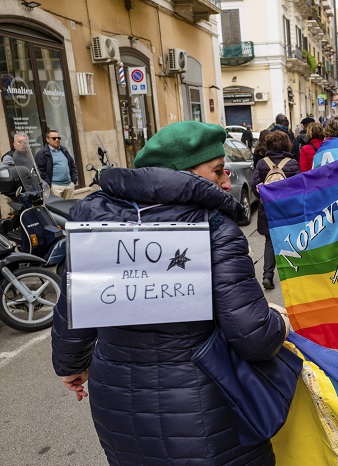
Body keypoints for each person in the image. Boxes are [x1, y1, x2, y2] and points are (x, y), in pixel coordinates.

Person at [52, 120, 291, 465]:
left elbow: (73, 309)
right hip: (207, 406)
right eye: (218, 171)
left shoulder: (94, 219)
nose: (227, 181)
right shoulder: (215, 227)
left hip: (118, 408)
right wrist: (279, 321)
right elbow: (254, 337)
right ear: (184, 173)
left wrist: (70, 366)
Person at [252, 131, 301, 290]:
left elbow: (254, 186)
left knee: (269, 241)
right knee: (290, 238)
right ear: (287, 144)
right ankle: (293, 275)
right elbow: (299, 187)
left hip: (267, 208)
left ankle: (267, 275)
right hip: (287, 208)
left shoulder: (261, 163)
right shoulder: (292, 163)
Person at [35, 129, 79, 199]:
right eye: (54, 138)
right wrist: (49, 185)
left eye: (58, 138)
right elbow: (41, 172)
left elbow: (72, 165)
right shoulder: (42, 154)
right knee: (57, 208)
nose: (57, 140)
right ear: (47, 139)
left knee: (68, 207)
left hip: (69, 185)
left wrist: (73, 181)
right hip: (55, 187)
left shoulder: (63, 150)